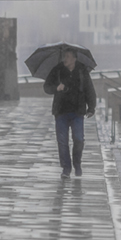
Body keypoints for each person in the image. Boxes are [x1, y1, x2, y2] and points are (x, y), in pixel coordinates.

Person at [43, 47, 96, 177]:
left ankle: (77, 163)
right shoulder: (57, 70)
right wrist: (57, 87)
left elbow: (89, 89)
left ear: (74, 58)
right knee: (62, 141)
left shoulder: (82, 71)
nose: (65, 59)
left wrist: (91, 108)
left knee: (79, 139)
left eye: (67, 56)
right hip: (61, 111)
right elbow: (46, 87)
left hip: (77, 111)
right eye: (64, 56)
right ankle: (66, 168)